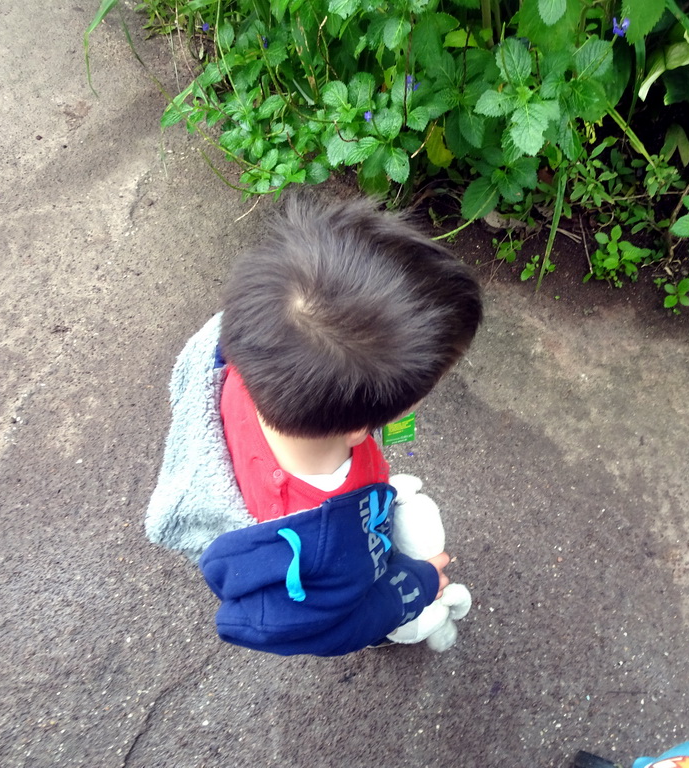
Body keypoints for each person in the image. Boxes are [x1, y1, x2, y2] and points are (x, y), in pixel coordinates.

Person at [145, 194, 483, 656]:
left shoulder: (244, 349)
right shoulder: (315, 551)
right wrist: (409, 588)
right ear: (359, 427)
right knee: (379, 611)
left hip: (347, 504)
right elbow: (320, 628)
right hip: (353, 566)